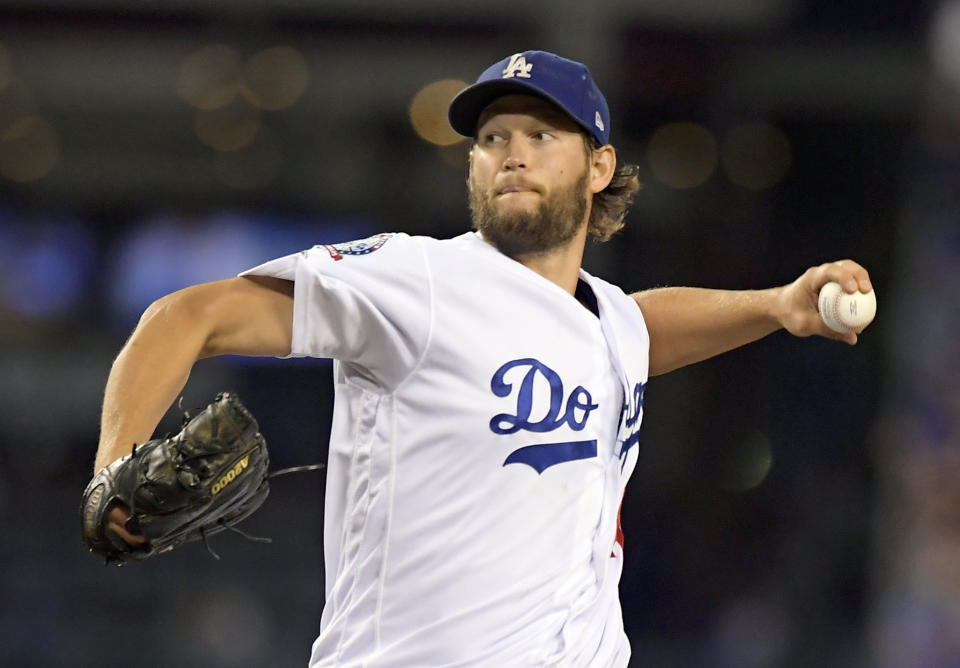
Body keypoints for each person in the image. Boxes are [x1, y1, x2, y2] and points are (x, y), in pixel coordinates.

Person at [93, 50, 873, 667]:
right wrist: (113, 468)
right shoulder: (420, 279)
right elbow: (187, 315)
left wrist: (777, 306)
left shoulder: (610, 323)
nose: (512, 155)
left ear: (598, 167)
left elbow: (640, 326)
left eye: (542, 135)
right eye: (493, 138)